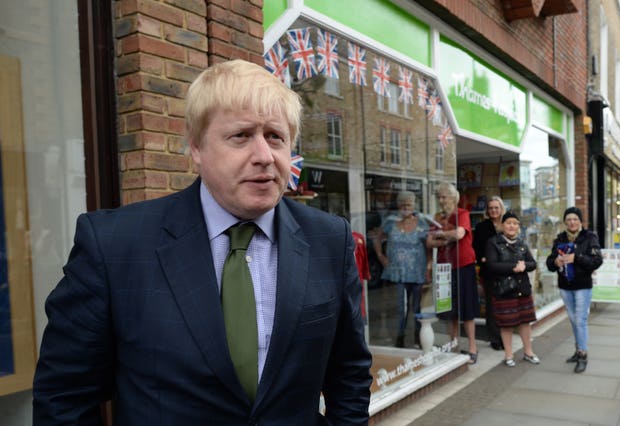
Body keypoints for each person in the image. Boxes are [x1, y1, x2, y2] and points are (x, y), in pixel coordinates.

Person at [33, 60, 372, 425]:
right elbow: (64, 397)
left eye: (275, 137)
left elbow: (349, 372)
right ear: (196, 148)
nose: (263, 156)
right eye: (241, 136)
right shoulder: (115, 245)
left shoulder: (328, 239)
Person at [427, 183, 479, 363]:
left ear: (453, 198)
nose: (441, 201)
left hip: (464, 265)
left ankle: (472, 347)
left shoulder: (461, 214)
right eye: (439, 197)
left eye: (444, 197)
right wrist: (444, 238)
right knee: (449, 309)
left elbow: (459, 234)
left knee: (468, 308)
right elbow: (429, 242)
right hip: (444, 267)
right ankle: (453, 345)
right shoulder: (437, 217)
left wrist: (441, 235)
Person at [546, 207, 602, 373]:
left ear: (580, 221)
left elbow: (597, 261)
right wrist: (555, 262)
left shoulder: (590, 237)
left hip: (582, 286)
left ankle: (583, 354)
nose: (572, 222)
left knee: (580, 320)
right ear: (565, 222)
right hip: (565, 286)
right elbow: (549, 263)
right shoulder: (560, 239)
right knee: (573, 320)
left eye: (575, 219)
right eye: (569, 219)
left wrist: (577, 257)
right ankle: (578, 350)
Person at [371, 191, 429, 348]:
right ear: (398, 205)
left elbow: (429, 244)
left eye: (408, 204)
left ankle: (418, 339)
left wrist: (429, 265)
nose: (405, 207)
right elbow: (377, 237)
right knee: (399, 309)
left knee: (417, 307)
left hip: (417, 271)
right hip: (396, 273)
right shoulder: (390, 221)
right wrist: (380, 255)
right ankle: (400, 339)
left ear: (414, 205)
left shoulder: (421, 222)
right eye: (402, 204)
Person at [485, 211, 539, 367]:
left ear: (518, 227)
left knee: (525, 322)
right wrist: (513, 267)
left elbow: (532, 263)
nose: (512, 226)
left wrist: (525, 266)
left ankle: (528, 352)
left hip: (522, 289)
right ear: (502, 225)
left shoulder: (521, 243)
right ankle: (509, 355)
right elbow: (491, 265)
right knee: (506, 324)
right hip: (504, 290)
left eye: (515, 223)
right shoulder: (493, 242)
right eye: (508, 223)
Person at [472, 196, 506, 351]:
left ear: (501, 209)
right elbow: (476, 248)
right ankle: (494, 338)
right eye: (491, 208)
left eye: (496, 207)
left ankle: (506, 336)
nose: (493, 210)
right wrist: (482, 259)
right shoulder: (481, 227)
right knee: (492, 306)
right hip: (489, 271)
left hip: (507, 270)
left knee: (506, 305)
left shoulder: (508, 223)